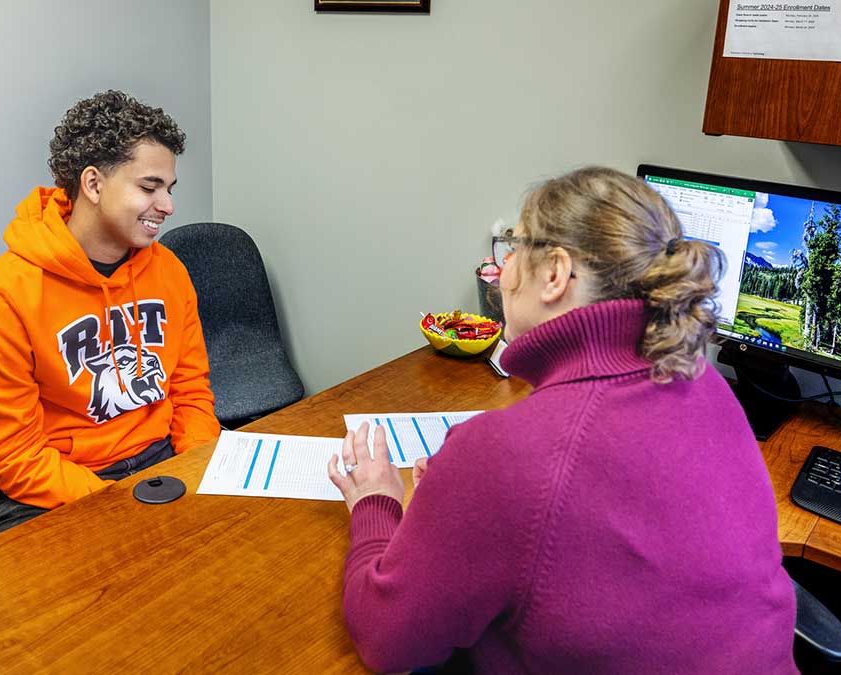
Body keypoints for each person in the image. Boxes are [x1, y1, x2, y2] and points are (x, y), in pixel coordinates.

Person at [327, 167, 797, 673]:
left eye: (513, 247)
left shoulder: (505, 453)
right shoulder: (705, 383)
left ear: (554, 273)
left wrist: (375, 502)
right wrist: (468, 499)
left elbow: (387, 641)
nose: (502, 268)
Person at [0, 90, 220, 541]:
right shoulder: (2, 295)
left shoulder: (169, 271)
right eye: (149, 187)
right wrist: (114, 503)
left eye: (169, 189)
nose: (169, 206)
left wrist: (199, 466)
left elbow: (190, 389)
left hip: (159, 458)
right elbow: (10, 456)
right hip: (49, 485)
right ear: (94, 184)